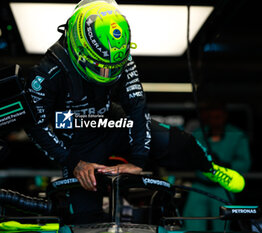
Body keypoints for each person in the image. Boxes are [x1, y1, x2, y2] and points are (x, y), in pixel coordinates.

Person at [25, 0, 245, 223]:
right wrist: (74, 163)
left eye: (113, 66)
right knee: (83, 219)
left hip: (112, 120)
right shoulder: (46, 72)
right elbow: (35, 124)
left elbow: (136, 106)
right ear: (78, 47)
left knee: (181, 142)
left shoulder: (119, 56)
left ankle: (211, 167)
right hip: (75, 132)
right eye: (101, 66)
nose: (108, 71)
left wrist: (138, 161)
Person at [183, 103, 251, 231]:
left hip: (223, 186)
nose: (214, 120)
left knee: (223, 224)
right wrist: (202, 161)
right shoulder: (198, 134)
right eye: (211, 117)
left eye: (218, 116)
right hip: (200, 185)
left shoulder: (237, 135)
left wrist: (226, 165)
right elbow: (188, 158)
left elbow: (245, 162)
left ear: (225, 116)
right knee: (192, 222)